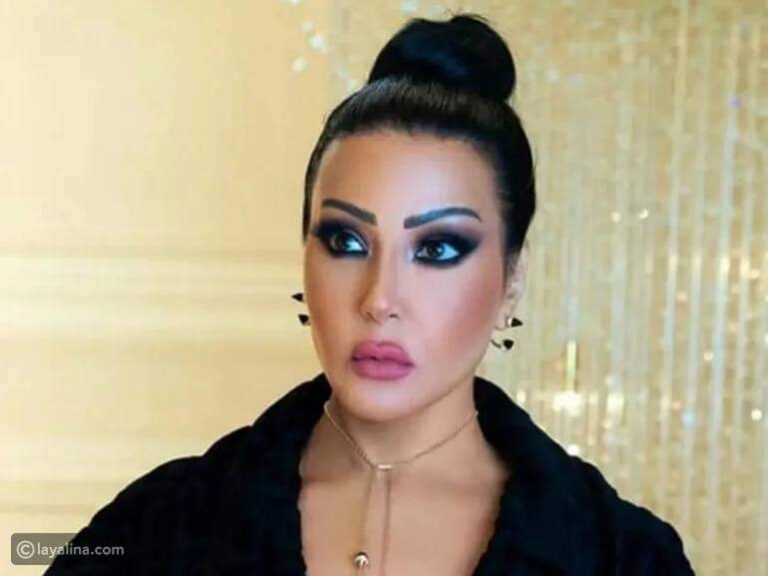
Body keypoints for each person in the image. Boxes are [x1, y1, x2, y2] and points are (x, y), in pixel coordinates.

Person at [45, 13, 695, 576]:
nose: (380, 299)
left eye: (437, 249)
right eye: (347, 241)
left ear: (512, 281)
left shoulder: (623, 557)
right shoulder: (156, 529)